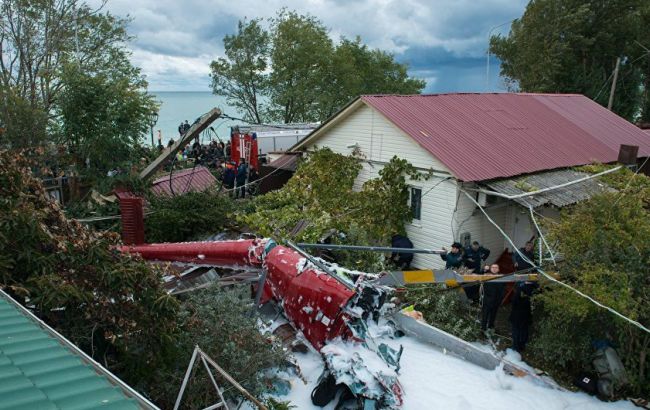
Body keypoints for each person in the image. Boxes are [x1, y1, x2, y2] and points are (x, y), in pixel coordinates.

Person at [509, 281, 538, 352]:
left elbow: (515, 301)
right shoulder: (535, 288)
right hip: (527, 313)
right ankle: (522, 345)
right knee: (524, 330)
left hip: (518, 313)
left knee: (516, 330)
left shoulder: (521, 288)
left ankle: (516, 347)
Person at [481, 263, 506, 334]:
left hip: (496, 300)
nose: (494, 269)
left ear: (498, 269)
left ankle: (490, 326)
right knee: (485, 314)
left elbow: (503, 288)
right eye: (493, 267)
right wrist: (484, 270)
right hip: (487, 299)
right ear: (490, 269)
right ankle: (483, 328)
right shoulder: (486, 275)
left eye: (496, 267)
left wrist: (501, 298)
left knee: (493, 314)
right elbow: (480, 274)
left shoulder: (502, 277)